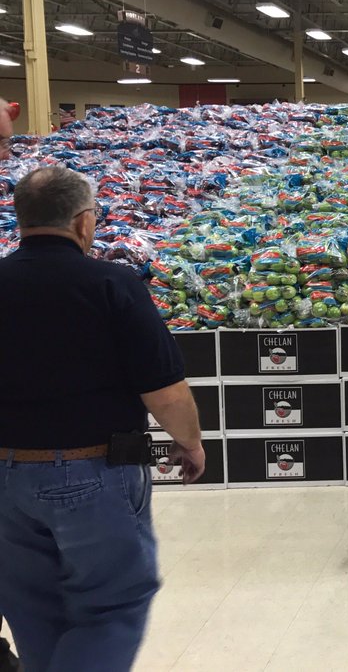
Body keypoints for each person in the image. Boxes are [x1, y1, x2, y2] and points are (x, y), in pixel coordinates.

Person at [0, 166, 205, 672]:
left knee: (33, 611)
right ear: (84, 222)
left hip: (4, 478)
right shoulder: (112, 283)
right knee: (111, 606)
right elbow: (166, 391)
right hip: (92, 472)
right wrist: (191, 444)